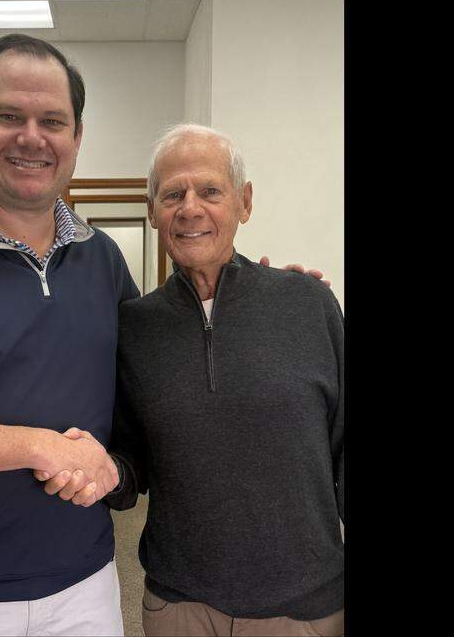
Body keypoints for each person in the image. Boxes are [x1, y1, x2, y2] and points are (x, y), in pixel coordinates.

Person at [0, 34, 329, 636]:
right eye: (10, 116)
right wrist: (38, 446)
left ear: (76, 138)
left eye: (52, 121)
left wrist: (267, 300)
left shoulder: (102, 259)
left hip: (85, 586)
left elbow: (157, 373)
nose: (33, 137)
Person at [38, 124, 345, 636]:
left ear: (244, 203)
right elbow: (133, 458)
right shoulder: (135, 326)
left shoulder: (309, 304)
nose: (190, 208)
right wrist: (104, 472)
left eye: (210, 191)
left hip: (304, 606)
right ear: (154, 208)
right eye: (173, 194)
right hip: (178, 604)